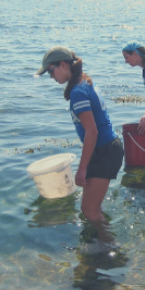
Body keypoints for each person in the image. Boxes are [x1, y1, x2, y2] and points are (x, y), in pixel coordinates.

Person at [36, 46, 123, 241]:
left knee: (88, 211)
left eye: (51, 71)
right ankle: (101, 238)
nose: (51, 77)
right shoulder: (85, 81)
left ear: (64, 65)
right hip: (107, 149)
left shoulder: (77, 92)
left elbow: (92, 131)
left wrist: (82, 169)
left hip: (104, 151)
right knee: (92, 206)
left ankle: (110, 248)